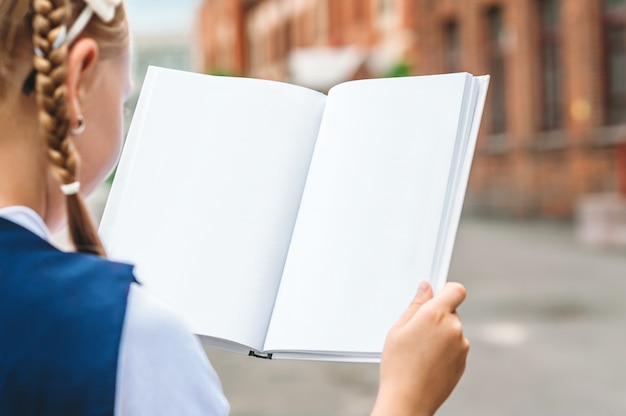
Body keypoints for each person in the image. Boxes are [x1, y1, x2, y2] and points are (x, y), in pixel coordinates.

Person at [0, 0, 469, 415]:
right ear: (76, 83)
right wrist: (406, 397)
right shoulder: (122, 335)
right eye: (124, 100)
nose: (125, 117)